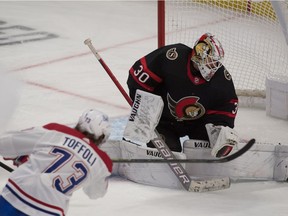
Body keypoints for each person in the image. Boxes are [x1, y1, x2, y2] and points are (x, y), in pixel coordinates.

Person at [127, 32, 239, 157]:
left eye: (216, 63)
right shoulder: (172, 58)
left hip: (198, 124)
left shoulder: (222, 78)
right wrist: (145, 109)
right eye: (211, 61)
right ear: (200, 54)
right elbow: (137, 78)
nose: (214, 67)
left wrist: (220, 129)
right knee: (171, 151)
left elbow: (226, 105)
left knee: (209, 147)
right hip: (163, 122)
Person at [0, 109, 112, 216]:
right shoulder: (103, 162)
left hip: (17, 192)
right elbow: (95, 193)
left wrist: (21, 157)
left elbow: (7, 143)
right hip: (50, 209)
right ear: (102, 137)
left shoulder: (56, 130)